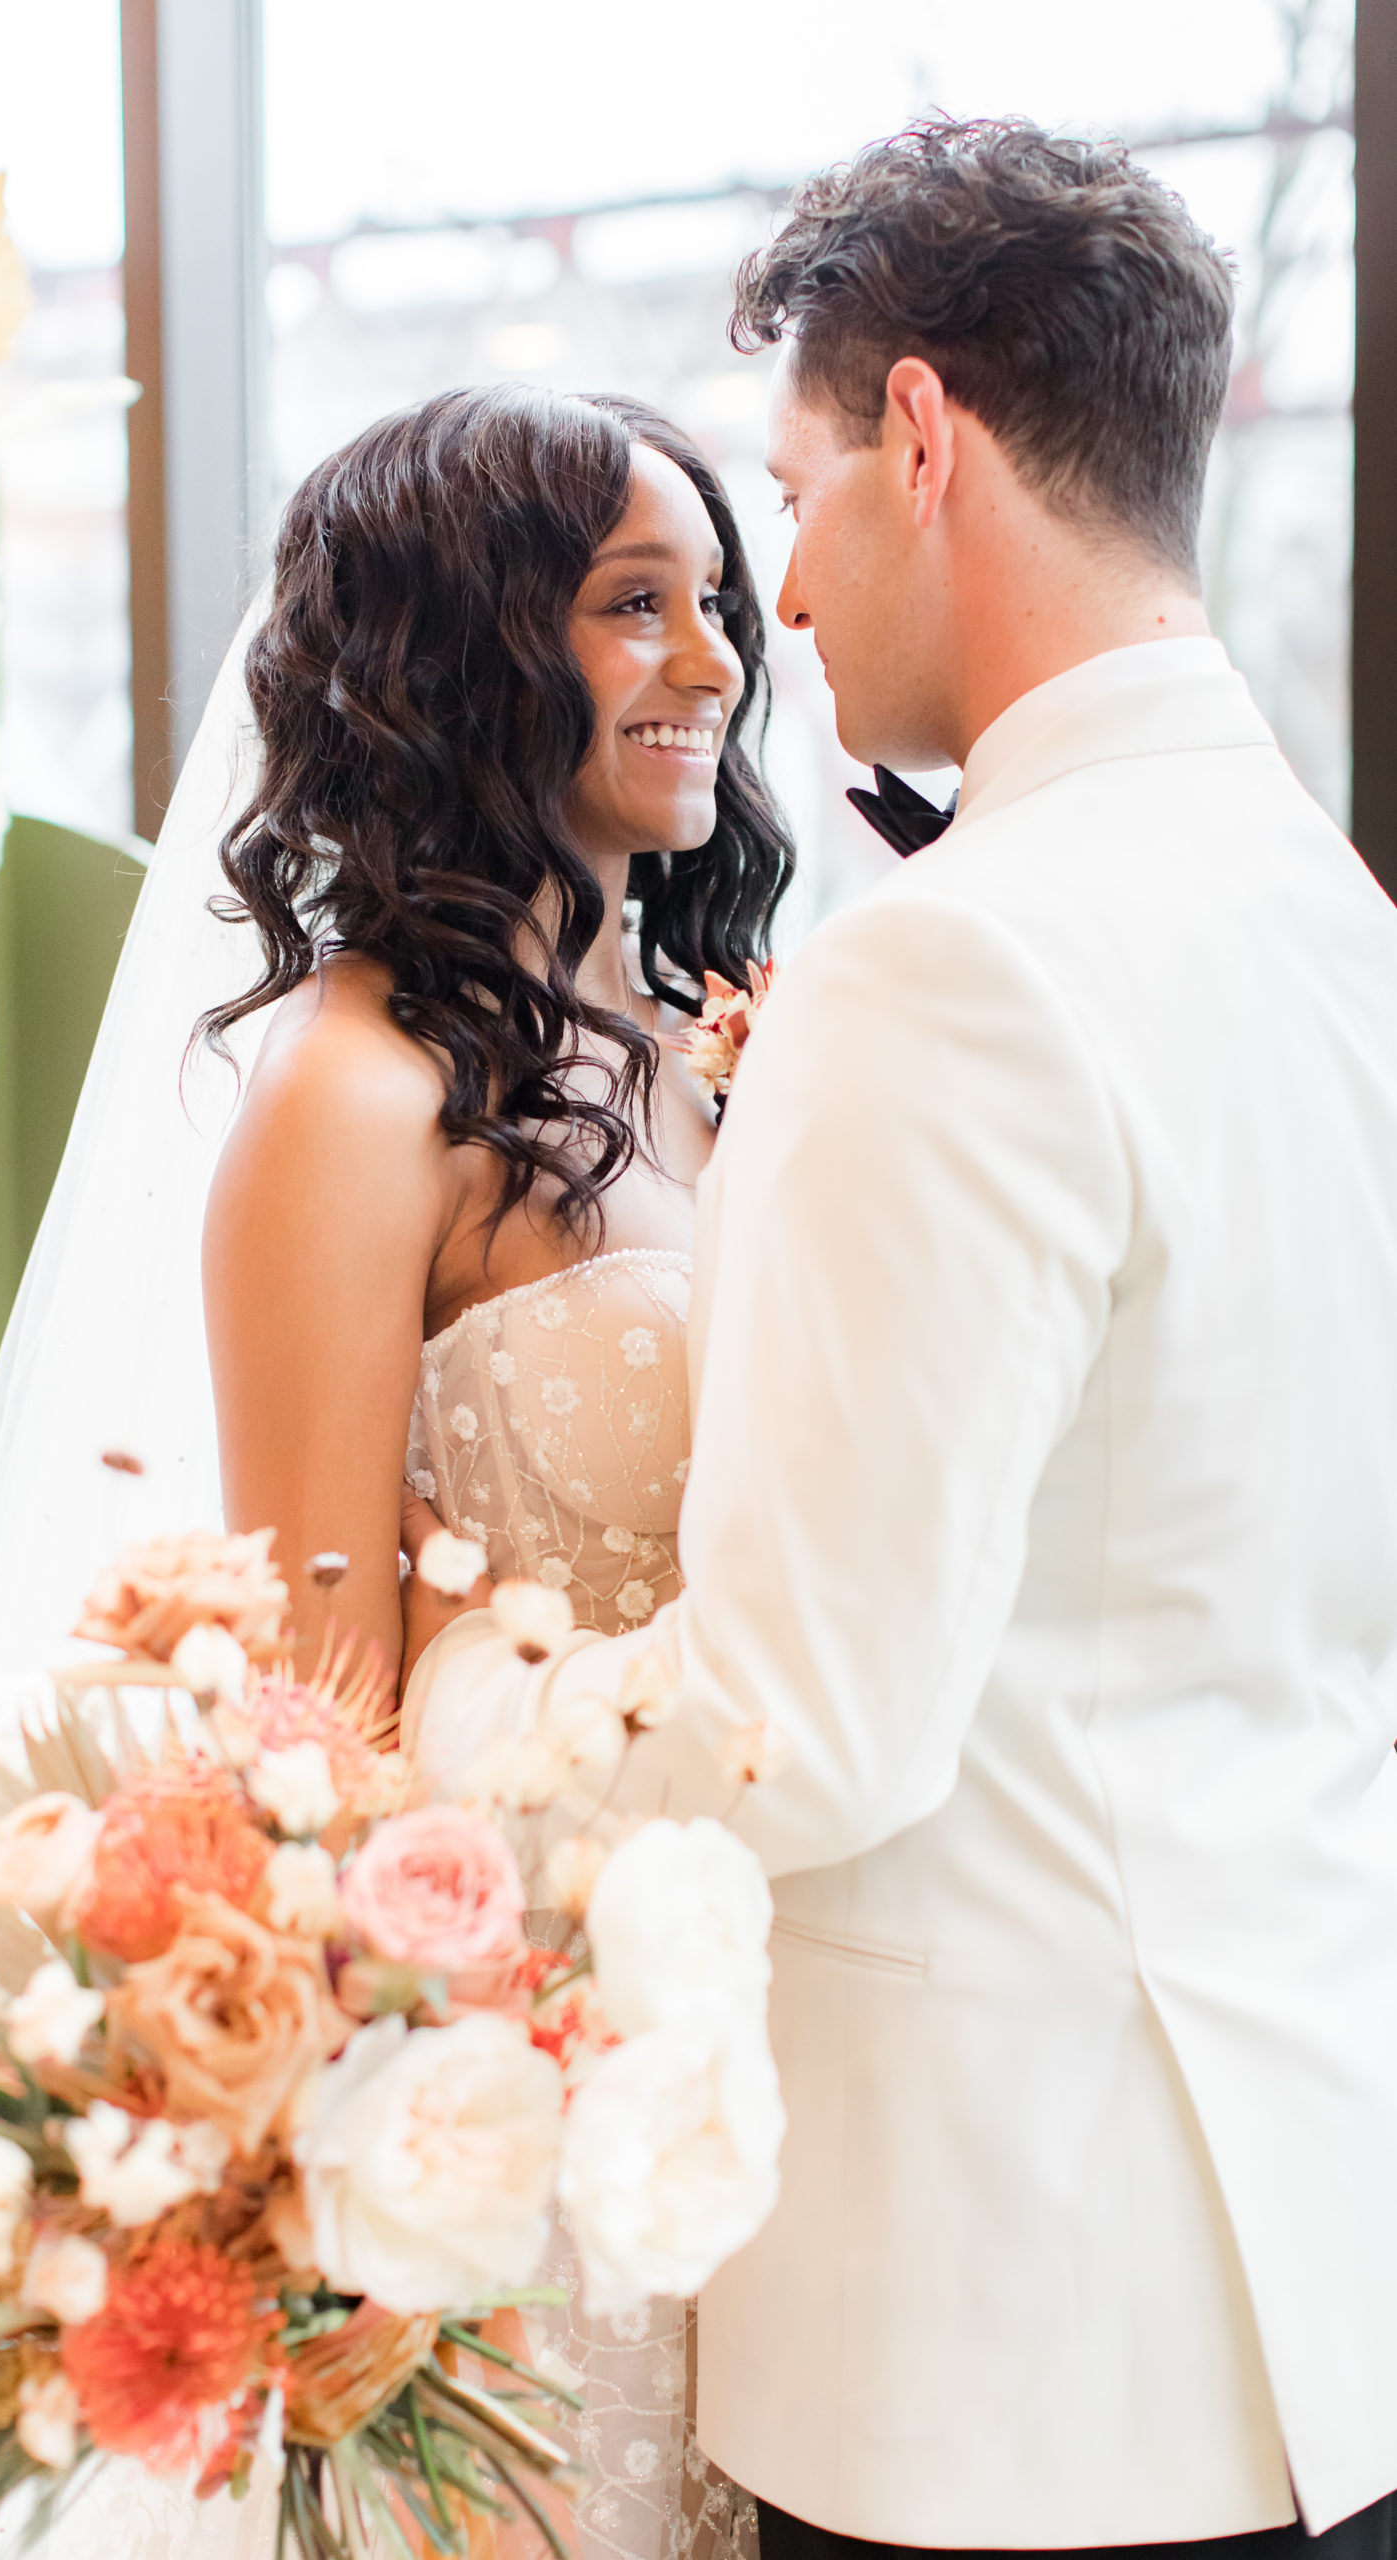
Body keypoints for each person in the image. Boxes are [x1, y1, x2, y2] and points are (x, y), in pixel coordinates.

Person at [405, 118, 1397, 2560]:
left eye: (799, 494)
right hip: (1318, 2278)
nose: (789, 610)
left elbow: (803, 1728)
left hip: (1005, 2359)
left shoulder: (953, 962)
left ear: (925, 437)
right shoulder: (1333, 927)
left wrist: (439, 1719)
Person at [199, 382, 793, 2560]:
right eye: (633, 604)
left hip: (773, 2048)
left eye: (714, 599)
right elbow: (312, 1712)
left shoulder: (711, 1054)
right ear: (458, 649)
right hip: (523, 2096)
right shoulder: (350, 1100)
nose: (715, 664)